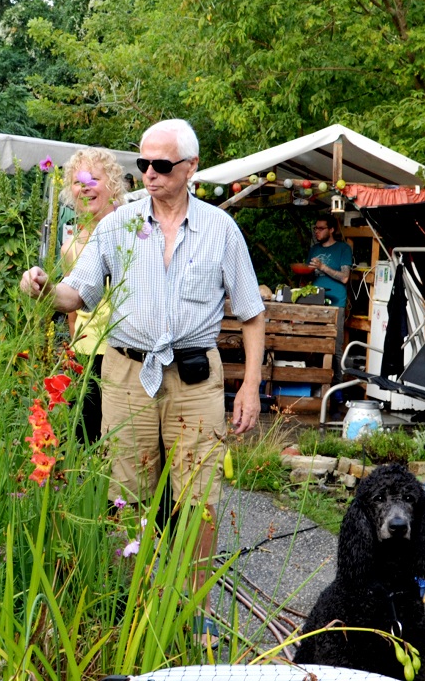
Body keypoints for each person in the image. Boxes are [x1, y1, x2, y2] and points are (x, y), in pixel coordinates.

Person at [19, 118, 266, 568]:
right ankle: (132, 607)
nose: (150, 173)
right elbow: (77, 293)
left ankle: (193, 619)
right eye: (143, 163)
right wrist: (42, 289)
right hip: (127, 374)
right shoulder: (119, 226)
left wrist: (250, 386)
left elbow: (251, 313)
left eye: (161, 164)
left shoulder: (221, 229)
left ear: (190, 167)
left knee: (198, 501)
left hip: (194, 378)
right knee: (126, 496)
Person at [59, 147, 129, 441]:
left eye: (93, 179)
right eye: (78, 181)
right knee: (83, 439)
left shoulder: (129, 231)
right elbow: (71, 306)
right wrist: (74, 341)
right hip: (84, 356)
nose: (85, 187)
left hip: (123, 355)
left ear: (113, 184)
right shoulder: (70, 245)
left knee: (119, 441)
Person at [306, 216, 354, 309]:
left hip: (335, 302)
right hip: (314, 300)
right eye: (316, 228)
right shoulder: (314, 249)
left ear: (331, 229)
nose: (316, 231)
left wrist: (322, 267)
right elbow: (307, 276)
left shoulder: (343, 248)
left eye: (321, 228)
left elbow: (345, 278)